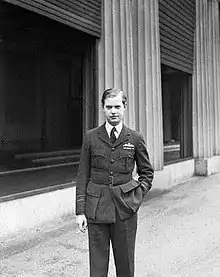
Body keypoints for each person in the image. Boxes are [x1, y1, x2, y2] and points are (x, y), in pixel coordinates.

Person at [75, 88, 154, 277]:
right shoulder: (91, 137)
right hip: (96, 208)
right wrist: (80, 211)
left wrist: (136, 196)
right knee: (97, 267)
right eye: (109, 107)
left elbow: (147, 173)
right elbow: (82, 175)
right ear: (103, 108)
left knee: (125, 265)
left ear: (124, 107)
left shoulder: (134, 138)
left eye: (117, 106)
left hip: (124, 209)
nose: (113, 111)